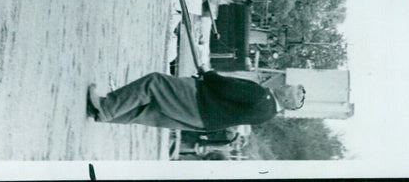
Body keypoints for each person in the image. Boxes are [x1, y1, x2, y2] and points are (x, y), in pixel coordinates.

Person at [87, 70, 305, 131]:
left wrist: (207, 74)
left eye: (288, 88)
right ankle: (100, 114)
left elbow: (227, 88)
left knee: (154, 83)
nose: (284, 85)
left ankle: (105, 107)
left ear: (286, 98)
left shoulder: (262, 95)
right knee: (150, 112)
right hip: (202, 123)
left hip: (199, 101)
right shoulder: (268, 114)